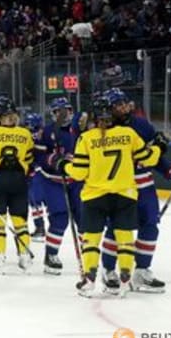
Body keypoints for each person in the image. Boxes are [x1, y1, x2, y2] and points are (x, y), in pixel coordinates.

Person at [60, 97, 163, 297]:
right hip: (125, 194)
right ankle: (124, 280)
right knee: (125, 239)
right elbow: (148, 158)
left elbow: (79, 172)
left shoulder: (86, 138)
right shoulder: (128, 133)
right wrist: (159, 147)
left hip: (95, 196)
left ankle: (89, 281)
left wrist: (64, 166)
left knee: (91, 239)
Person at [101, 88, 171, 293]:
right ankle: (108, 271)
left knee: (150, 225)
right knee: (117, 228)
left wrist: (170, 171)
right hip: (118, 186)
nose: (124, 108)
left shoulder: (141, 124)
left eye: (125, 103)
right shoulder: (102, 129)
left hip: (144, 185)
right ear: (108, 109)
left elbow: (154, 156)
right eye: (118, 105)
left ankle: (141, 271)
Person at [0, 96, 36, 273]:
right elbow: (29, 160)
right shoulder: (25, 134)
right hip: (19, 181)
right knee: (20, 221)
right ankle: (24, 256)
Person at [33, 98, 83, 275]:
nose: (63, 114)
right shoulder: (46, 132)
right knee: (60, 218)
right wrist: (53, 159)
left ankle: (88, 254)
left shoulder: (80, 130)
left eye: (66, 110)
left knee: (84, 218)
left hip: (77, 180)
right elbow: (38, 157)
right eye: (59, 111)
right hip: (53, 181)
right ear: (53, 114)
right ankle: (51, 255)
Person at [25, 112, 48, 242]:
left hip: (37, 172)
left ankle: (40, 227)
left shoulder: (39, 136)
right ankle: (41, 227)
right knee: (34, 201)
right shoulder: (40, 134)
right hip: (36, 172)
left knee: (35, 202)